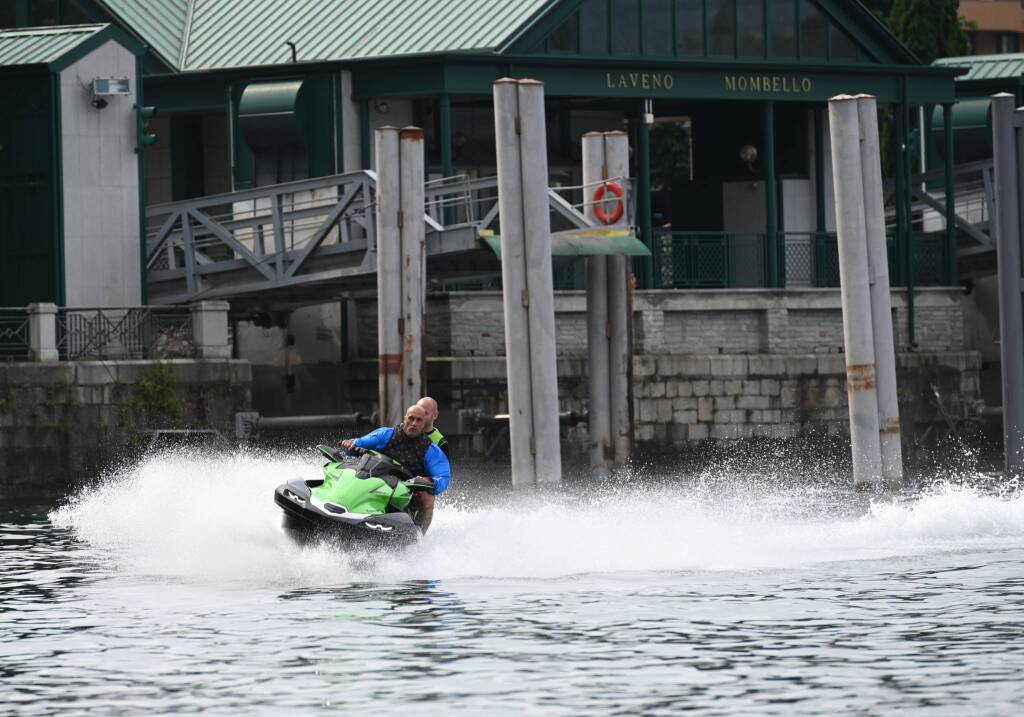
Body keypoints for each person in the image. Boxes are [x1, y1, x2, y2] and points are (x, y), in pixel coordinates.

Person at [341, 404, 450, 533]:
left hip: (407, 491)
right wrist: (349, 444)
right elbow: (359, 443)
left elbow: (444, 477)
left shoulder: (431, 450)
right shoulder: (386, 434)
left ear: (424, 423)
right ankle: (340, 509)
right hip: (375, 478)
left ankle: (419, 538)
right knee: (348, 470)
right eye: (411, 418)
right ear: (405, 418)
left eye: (419, 420)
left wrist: (429, 482)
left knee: (428, 498)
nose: (414, 423)